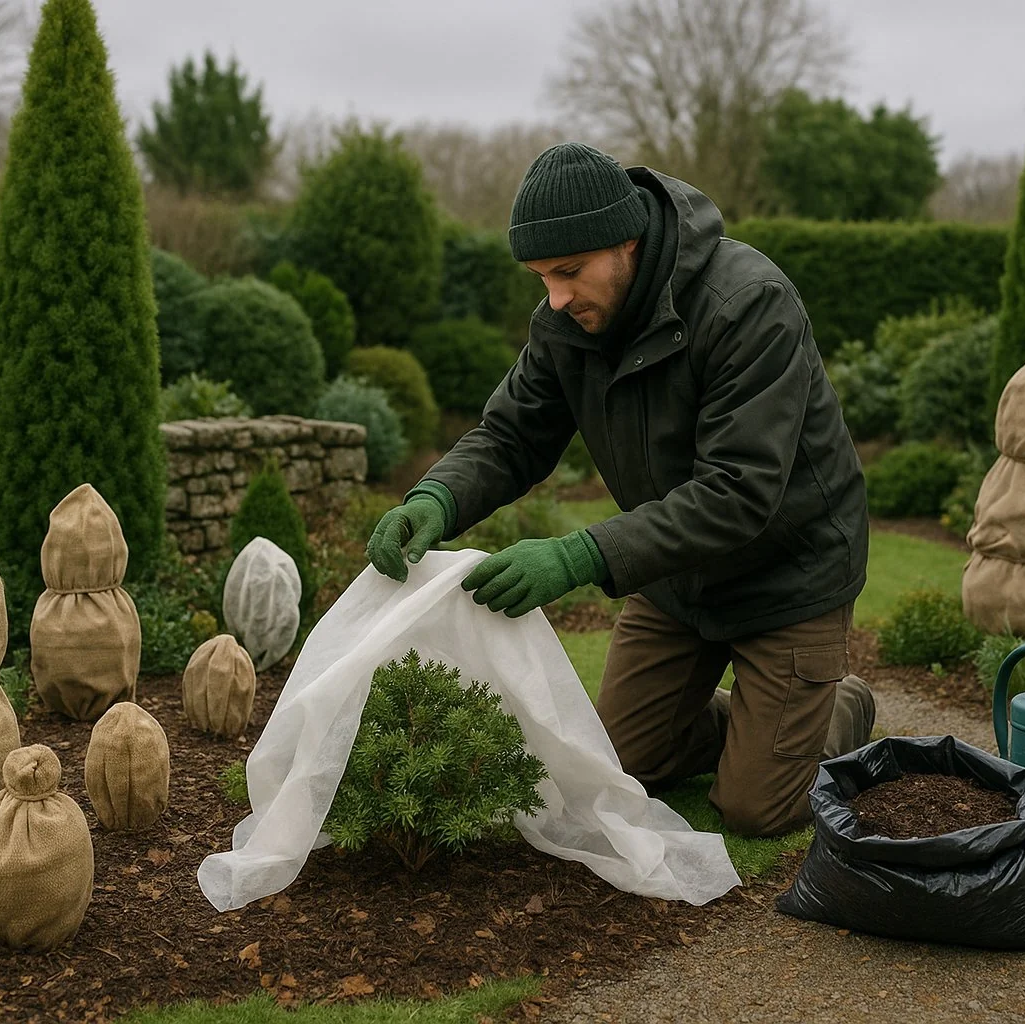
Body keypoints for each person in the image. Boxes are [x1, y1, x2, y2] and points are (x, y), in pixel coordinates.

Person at [366, 142, 874, 837]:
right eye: (541, 278)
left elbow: (737, 492)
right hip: (675, 579)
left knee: (754, 809)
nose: (555, 297)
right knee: (618, 769)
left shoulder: (748, 304)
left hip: (787, 574)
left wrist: (577, 558)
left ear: (627, 242)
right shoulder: (566, 325)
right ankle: (761, 718)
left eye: (569, 272)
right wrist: (435, 499)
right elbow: (510, 436)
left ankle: (834, 708)